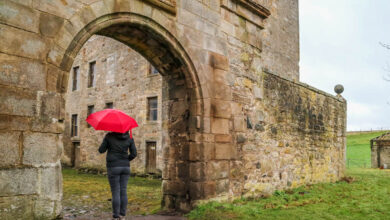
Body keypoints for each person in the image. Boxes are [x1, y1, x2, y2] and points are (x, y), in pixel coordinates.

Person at [98, 130, 137, 220]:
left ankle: (116, 216)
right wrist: (126, 160)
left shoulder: (109, 136)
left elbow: (101, 150)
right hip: (125, 167)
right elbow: (134, 154)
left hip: (113, 167)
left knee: (115, 191)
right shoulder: (130, 138)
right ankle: (122, 215)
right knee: (123, 191)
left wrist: (106, 139)